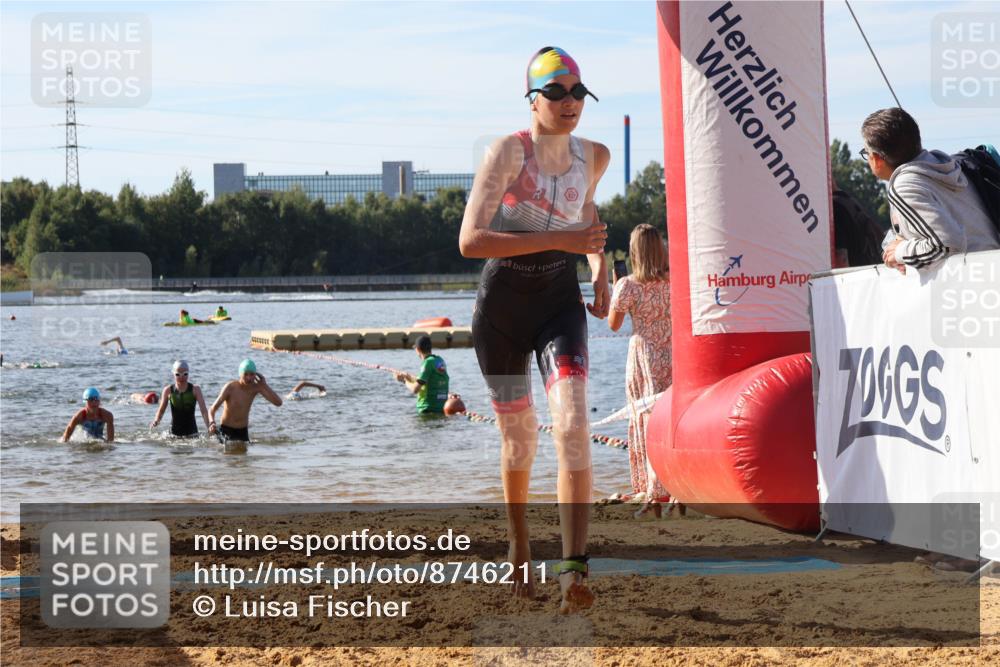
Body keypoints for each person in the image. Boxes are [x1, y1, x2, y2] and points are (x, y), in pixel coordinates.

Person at [458, 46, 610, 614]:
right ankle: (519, 541)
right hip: (499, 315)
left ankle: (573, 569)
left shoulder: (595, 156)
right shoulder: (507, 152)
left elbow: (587, 219)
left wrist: (600, 268)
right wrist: (561, 240)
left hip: (558, 307)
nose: (570, 102)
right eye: (556, 92)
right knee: (519, 439)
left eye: (578, 92)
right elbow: (470, 241)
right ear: (532, 99)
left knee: (572, 425)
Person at [860, 107, 1000, 273]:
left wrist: (899, 252)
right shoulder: (948, 166)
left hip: (972, 279)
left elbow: (947, 244)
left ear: (877, 158)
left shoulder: (905, 186)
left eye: (866, 153)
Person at [608, 224, 675, 517]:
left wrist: (615, 288)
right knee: (670, 421)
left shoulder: (628, 285)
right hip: (672, 353)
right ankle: (675, 488)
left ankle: (652, 492)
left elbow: (614, 324)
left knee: (646, 421)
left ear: (634, 251)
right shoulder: (675, 281)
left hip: (644, 356)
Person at [208, 359, 282, 452]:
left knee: (243, 460)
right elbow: (212, 409)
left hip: (242, 432)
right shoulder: (230, 387)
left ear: (255, 375)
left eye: (252, 374)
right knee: (227, 459)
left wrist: (264, 385)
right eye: (245, 374)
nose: (249, 378)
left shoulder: (256, 388)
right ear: (240, 374)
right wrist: (212, 422)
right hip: (226, 430)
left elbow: (278, 403)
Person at [150, 360, 212, 437]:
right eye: (177, 374)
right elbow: (161, 410)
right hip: (173, 434)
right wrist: (156, 421)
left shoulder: (195, 389)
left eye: (185, 374)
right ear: (173, 374)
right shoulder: (168, 390)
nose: (181, 377)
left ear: (188, 373)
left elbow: (204, 411)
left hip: (192, 433)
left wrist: (209, 426)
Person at [832, 183, 886, 268]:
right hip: (872, 270)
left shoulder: (835, 207)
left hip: (857, 274)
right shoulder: (849, 201)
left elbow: (841, 260)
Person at [394, 335, 449, 414]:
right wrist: (409, 377)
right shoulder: (439, 360)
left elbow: (415, 389)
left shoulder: (427, 363)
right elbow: (430, 381)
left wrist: (404, 381)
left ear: (418, 349)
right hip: (442, 408)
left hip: (427, 409)